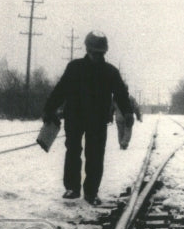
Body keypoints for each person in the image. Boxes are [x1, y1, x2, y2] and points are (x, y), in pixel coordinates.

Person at [43, 31, 134, 205]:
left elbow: (122, 94)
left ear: (104, 52)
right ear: (87, 49)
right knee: (73, 151)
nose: (97, 56)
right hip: (75, 117)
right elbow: (60, 90)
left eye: (100, 53)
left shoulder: (110, 72)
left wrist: (128, 112)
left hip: (98, 120)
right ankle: (72, 188)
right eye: (94, 52)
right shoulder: (74, 67)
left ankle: (91, 192)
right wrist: (49, 109)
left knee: (95, 155)